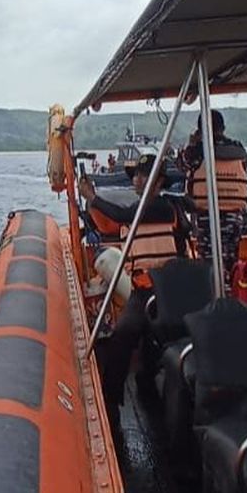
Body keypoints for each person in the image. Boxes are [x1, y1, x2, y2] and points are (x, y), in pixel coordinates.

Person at [77, 153, 183, 410]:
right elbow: (115, 223)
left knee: (124, 335)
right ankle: (128, 392)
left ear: (159, 182)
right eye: (136, 175)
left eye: (143, 175)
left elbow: (123, 215)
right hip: (144, 288)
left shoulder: (161, 207)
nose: (137, 180)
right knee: (138, 336)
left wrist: (93, 198)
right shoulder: (143, 210)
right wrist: (90, 207)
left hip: (164, 289)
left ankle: (115, 396)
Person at [179, 109, 247, 275]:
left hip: (208, 216)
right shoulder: (238, 148)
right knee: (231, 260)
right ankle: (230, 287)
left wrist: (192, 143)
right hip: (234, 216)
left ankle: (215, 290)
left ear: (200, 130)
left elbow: (183, 165)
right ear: (223, 128)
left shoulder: (197, 151)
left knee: (209, 264)